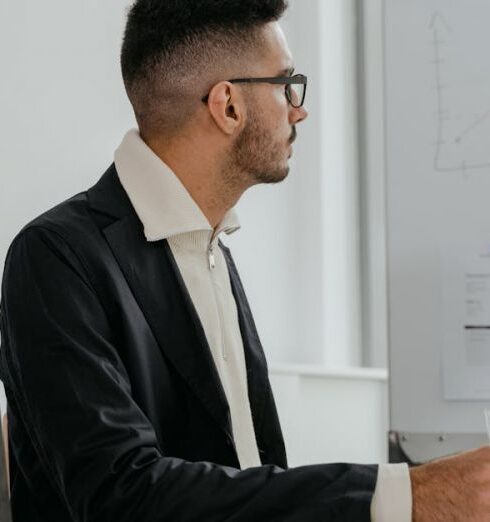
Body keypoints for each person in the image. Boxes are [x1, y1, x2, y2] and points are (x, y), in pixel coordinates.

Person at [1, 1, 490, 521]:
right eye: (285, 83)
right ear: (227, 105)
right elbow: (122, 496)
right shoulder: (54, 258)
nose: (298, 108)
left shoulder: (209, 247)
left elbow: (245, 480)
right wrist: (405, 498)